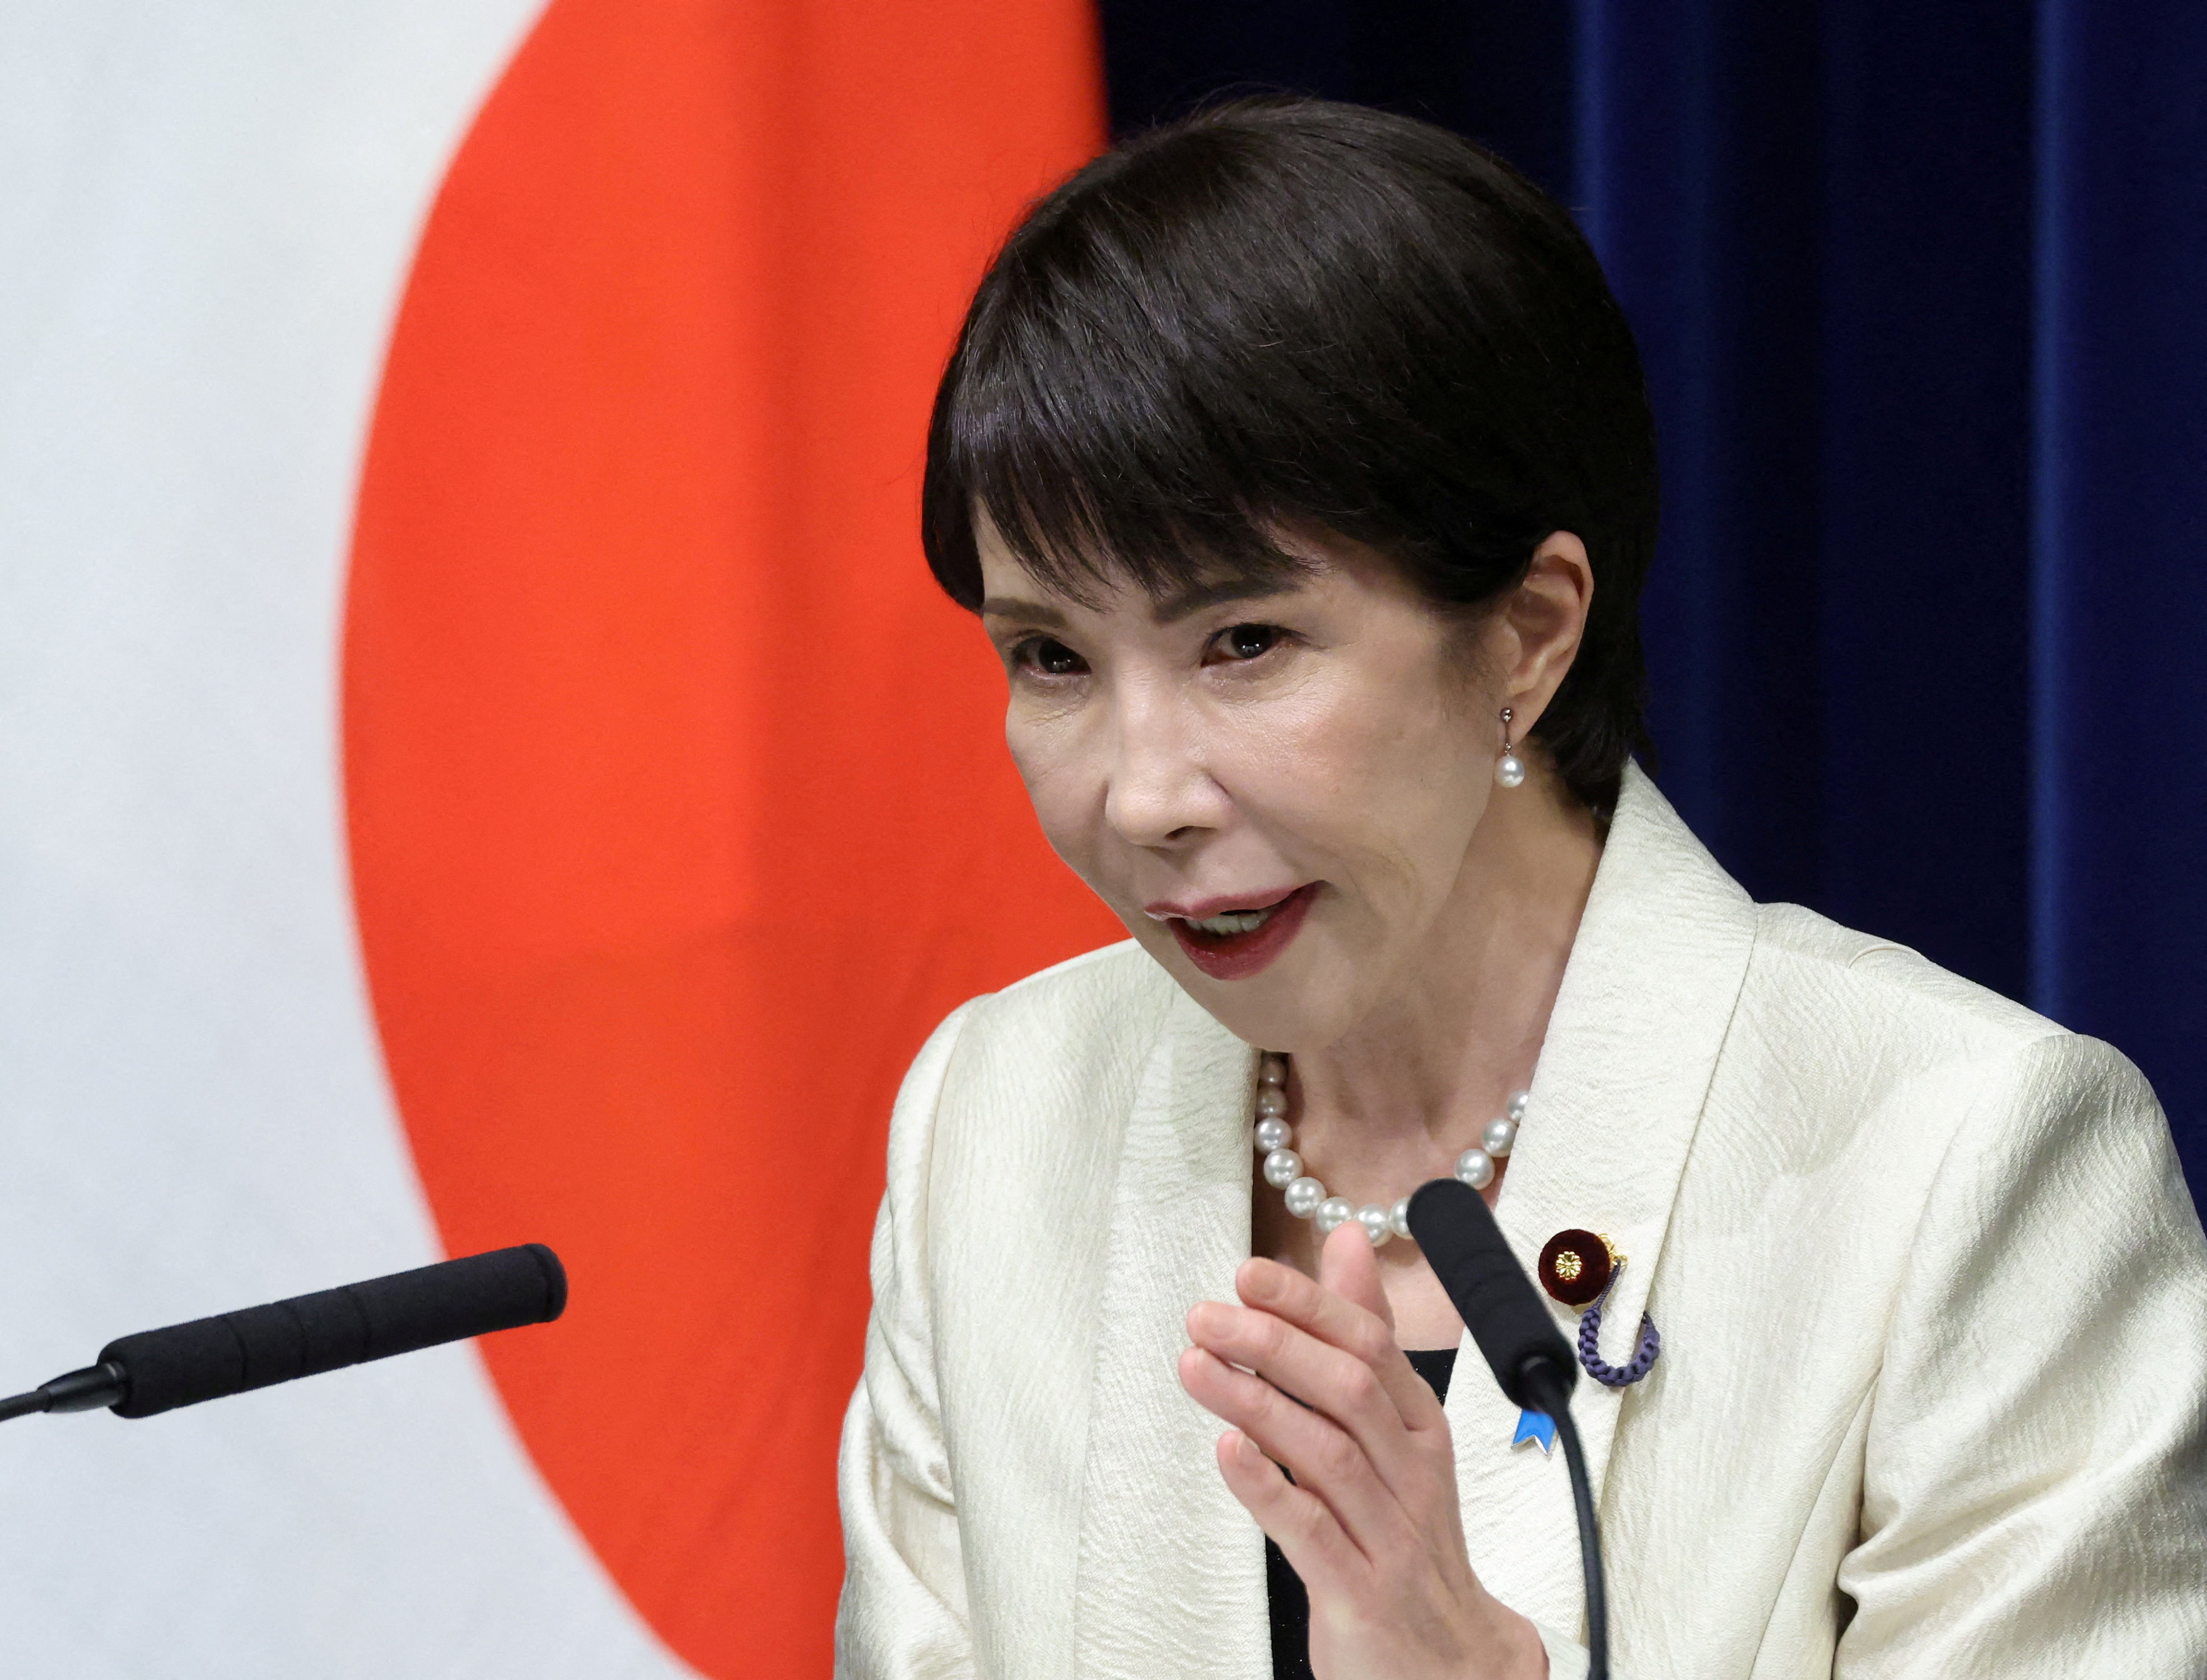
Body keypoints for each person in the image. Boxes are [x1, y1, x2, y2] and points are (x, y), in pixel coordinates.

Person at [832, 99, 2207, 1679]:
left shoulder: (1959, 1166)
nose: (1140, 796)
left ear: (1528, 634)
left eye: (1244, 644)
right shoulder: (995, 1122)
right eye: (1051, 659)